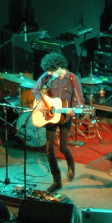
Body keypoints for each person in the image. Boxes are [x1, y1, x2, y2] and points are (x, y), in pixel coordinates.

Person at [31, 52, 84, 191]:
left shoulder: (73, 78)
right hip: (50, 116)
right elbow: (36, 90)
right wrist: (40, 102)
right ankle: (57, 181)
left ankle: (71, 164)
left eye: (51, 70)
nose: (49, 73)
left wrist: (75, 110)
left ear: (59, 67)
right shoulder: (48, 76)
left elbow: (80, 101)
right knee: (49, 150)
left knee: (63, 148)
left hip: (65, 117)